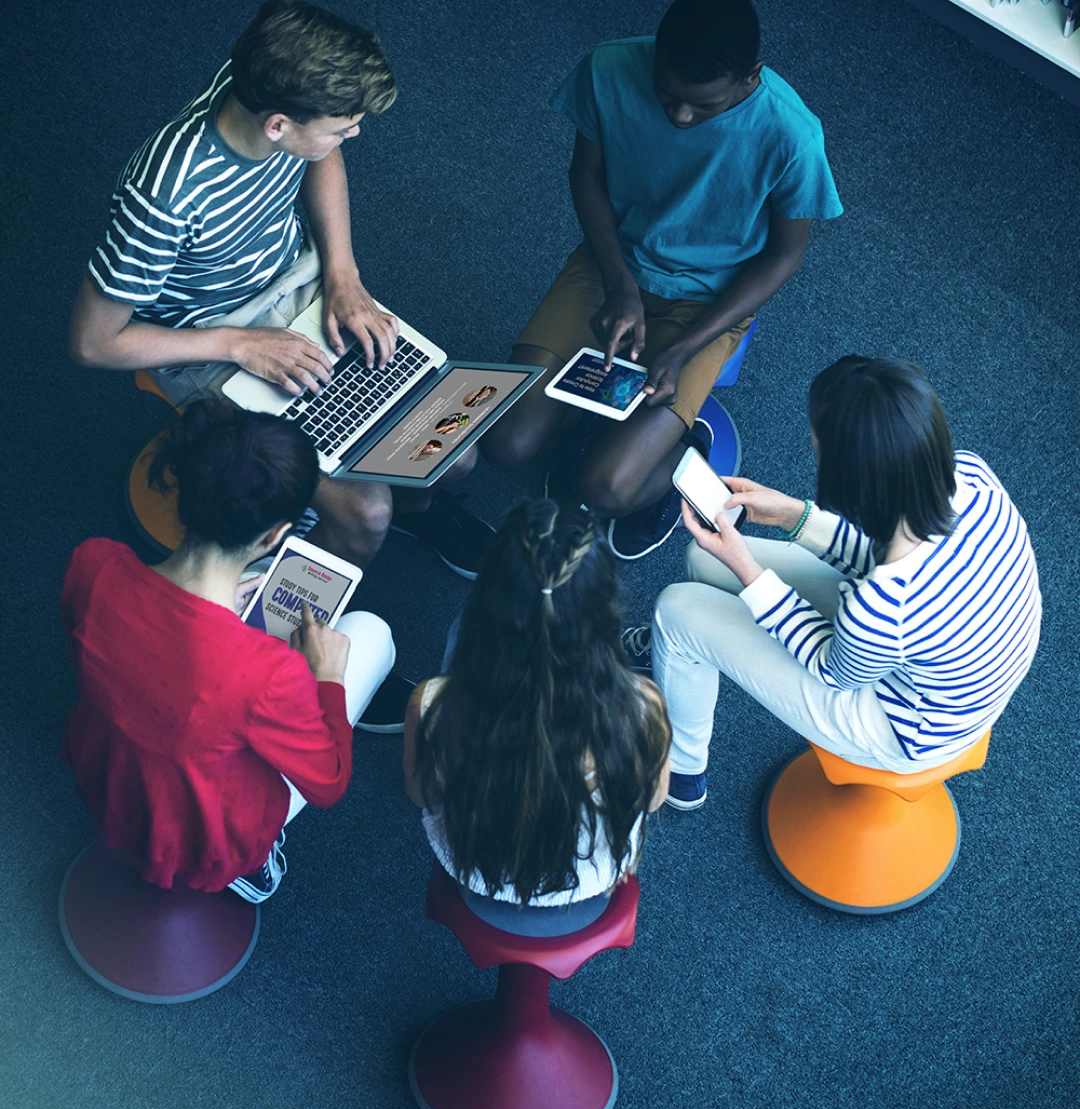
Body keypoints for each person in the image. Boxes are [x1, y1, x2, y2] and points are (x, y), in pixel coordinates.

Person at [67, 0, 492, 579]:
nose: (354, 133)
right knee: (364, 514)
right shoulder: (162, 198)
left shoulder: (266, 87)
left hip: (301, 282)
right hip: (208, 340)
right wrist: (241, 344)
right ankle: (288, 638)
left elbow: (326, 153)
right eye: (342, 126)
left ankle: (414, 513)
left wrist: (344, 275)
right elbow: (94, 343)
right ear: (278, 126)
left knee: (454, 452)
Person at [484, 0, 843, 560]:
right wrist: (620, 283)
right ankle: (613, 425)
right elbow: (586, 175)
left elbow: (782, 257)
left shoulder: (793, 137)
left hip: (707, 303)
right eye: (665, 94)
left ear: (751, 76)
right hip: (609, 267)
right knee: (507, 441)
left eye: (702, 106)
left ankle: (687, 445)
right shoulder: (607, 68)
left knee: (605, 489)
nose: (678, 116)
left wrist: (683, 348)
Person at [642, 357, 1041, 810]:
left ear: (849, 476)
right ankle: (679, 659)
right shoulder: (970, 476)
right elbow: (887, 548)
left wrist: (749, 572)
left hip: (904, 727)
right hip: (957, 666)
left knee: (675, 609)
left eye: (816, 447)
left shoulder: (884, 605)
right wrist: (795, 516)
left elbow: (831, 668)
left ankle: (682, 773)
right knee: (703, 560)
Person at [60, 399, 396, 901]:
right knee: (372, 633)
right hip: (209, 843)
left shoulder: (94, 563)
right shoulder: (271, 674)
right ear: (278, 535)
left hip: (105, 784)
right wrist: (325, 677)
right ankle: (251, 866)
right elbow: (329, 782)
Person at [402, 500, 671, 934]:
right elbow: (654, 799)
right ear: (603, 610)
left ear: (491, 597)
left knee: (455, 636)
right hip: (591, 878)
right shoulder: (643, 706)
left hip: (474, 869)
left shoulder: (433, 702)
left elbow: (420, 795)